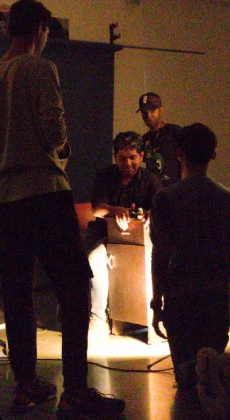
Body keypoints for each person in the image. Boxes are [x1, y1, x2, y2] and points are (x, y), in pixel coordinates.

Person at [0, 0, 125, 419]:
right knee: (74, 291)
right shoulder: (40, 69)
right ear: (40, 29)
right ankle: (75, 391)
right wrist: (60, 147)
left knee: (17, 295)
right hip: (44, 190)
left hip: (7, 199)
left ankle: (26, 386)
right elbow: (55, 132)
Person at [149, 123, 230, 390]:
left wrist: (157, 301)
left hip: (180, 296)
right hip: (215, 295)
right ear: (213, 155)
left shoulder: (165, 198)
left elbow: (160, 255)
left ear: (179, 154)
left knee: (187, 377)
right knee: (212, 373)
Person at [86, 131, 161, 338]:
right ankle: (98, 318)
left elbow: (162, 207)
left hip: (141, 241)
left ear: (141, 156)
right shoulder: (104, 176)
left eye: (132, 157)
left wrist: (150, 214)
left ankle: (152, 315)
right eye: (122, 158)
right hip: (108, 238)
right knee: (94, 259)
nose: (127, 163)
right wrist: (116, 211)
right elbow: (96, 209)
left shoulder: (151, 180)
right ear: (115, 157)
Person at [137, 92, 182, 185]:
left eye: (152, 111)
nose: (148, 115)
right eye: (144, 112)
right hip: (155, 190)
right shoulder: (144, 139)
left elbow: (186, 161)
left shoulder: (174, 131)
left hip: (174, 188)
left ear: (161, 109)